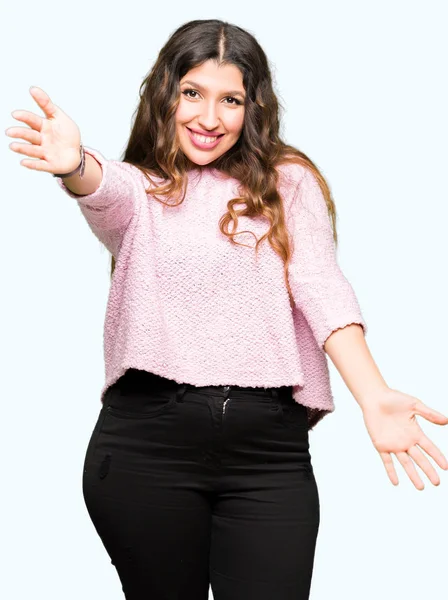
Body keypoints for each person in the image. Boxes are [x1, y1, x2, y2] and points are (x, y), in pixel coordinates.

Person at [6, 18, 448, 600]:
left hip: (267, 458)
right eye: (193, 93)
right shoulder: (141, 190)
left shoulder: (289, 183)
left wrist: (374, 394)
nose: (209, 118)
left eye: (230, 100)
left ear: (252, 107)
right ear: (165, 94)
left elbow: (320, 285)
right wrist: (73, 165)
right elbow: (102, 188)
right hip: (146, 451)